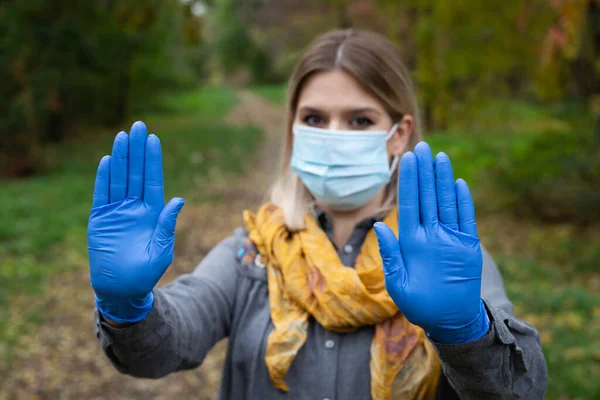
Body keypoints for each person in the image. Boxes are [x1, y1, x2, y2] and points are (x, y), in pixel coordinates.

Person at [89, 29, 547, 399]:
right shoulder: (254, 252)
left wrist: (467, 334)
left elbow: (518, 392)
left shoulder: (447, 260)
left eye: (360, 120)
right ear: (293, 127)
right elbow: (159, 350)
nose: (333, 135)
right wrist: (128, 310)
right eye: (314, 118)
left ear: (399, 133)